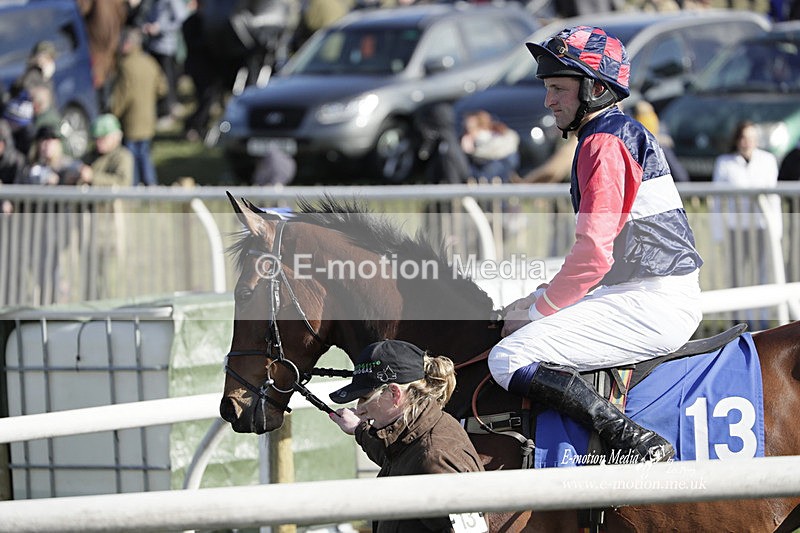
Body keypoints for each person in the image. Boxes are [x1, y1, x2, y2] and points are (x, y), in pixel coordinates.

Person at [489, 26, 703, 463]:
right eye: (548, 88)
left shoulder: (604, 142)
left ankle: (634, 441)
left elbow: (592, 255)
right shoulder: (607, 135)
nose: (548, 101)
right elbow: (597, 258)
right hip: (640, 292)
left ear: (596, 89)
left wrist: (536, 310)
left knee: (508, 357)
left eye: (558, 89)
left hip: (651, 301)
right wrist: (539, 297)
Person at [329, 339, 485, 533]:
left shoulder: (434, 458)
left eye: (365, 398)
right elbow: (397, 457)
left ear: (394, 394)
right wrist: (359, 430)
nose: (359, 409)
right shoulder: (418, 430)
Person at [711, 120, 781, 328]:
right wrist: (718, 232)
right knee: (737, 276)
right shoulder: (725, 163)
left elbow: (773, 198)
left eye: (751, 138)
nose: (747, 142)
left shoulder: (767, 160)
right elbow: (717, 201)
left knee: (760, 275)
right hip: (736, 229)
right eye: (743, 137)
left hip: (760, 227)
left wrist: (776, 229)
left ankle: (761, 322)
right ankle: (739, 322)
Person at [110, 27, 167, 186]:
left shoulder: (126, 65)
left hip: (130, 120)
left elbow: (122, 96)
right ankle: (151, 185)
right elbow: (162, 88)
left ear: (128, 44)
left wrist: (113, 114)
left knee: (131, 158)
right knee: (145, 154)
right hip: (148, 119)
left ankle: (133, 187)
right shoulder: (150, 62)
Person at [460, 110, 520, 183]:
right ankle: (486, 178)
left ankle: (487, 178)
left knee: (508, 159)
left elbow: (507, 144)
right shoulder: (467, 139)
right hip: (483, 165)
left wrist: (475, 151)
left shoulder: (491, 134)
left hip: (495, 160)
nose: (469, 130)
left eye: (472, 127)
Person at [75, 113, 134, 187]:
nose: (98, 142)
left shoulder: (122, 156)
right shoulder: (90, 156)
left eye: (103, 138)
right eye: (96, 138)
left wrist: (93, 177)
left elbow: (123, 182)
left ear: (115, 137)